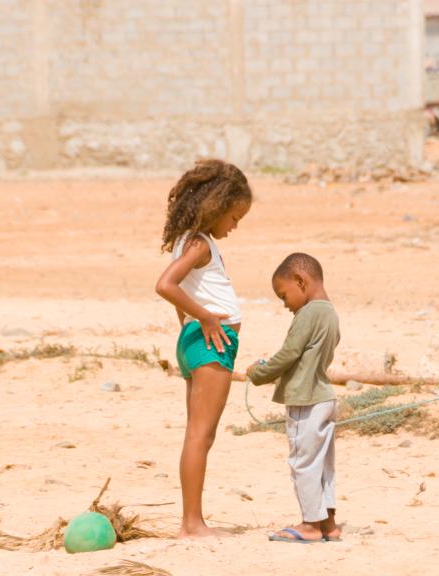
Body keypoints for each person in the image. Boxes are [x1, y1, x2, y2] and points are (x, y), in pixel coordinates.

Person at [155, 158, 252, 538]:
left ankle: (192, 520)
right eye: (233, 216)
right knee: (200, 434)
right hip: (211, 344)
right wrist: (208, 320)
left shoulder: (189, 241)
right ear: (216, 207)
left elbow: (183, 291)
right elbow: (166, 285)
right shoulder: (198, 243)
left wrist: (189, 325)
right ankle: (192, 524)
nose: (235, 225)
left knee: (200, 433)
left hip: (196, 342)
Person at [244, 252, 341, 543]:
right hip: (325, 397)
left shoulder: (308, 313)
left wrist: (259, 373)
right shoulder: (330, 313)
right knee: (323, 463)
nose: (285, 305)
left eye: (284, 296)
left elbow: (289, 353)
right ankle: (329, 524)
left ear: (300, 280)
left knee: (303, 463)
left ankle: (310, 525)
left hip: (305, 400)